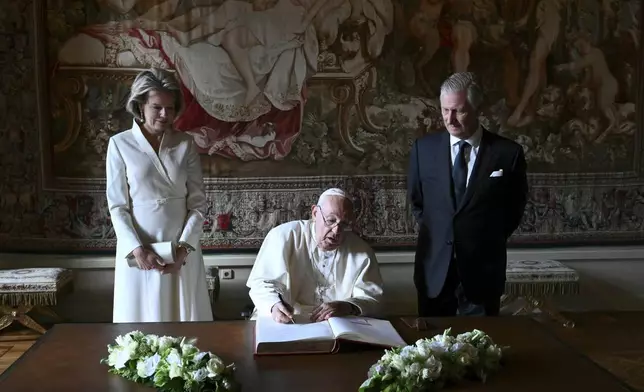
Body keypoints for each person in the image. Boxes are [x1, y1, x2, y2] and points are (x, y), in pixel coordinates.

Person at [407, 72, 528, 317]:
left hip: (482, 274)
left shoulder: (507, 153)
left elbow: (513, 211)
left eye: (459, 111)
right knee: (429, 351)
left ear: (476, 108)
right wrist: (445, 232)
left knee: (480, 350)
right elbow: (417, 203)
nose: (450, 119)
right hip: (434, 274)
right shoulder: (423, 150)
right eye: (444, 110)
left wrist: (479, 236)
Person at [106, 68, 213, 323]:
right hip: (138, 249)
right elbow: (118, 206)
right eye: (157, 107)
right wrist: (138, 251)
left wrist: (184, 250)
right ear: (140, 105)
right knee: (141, 325)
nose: (165, 114)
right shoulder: (120, 144)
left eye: (171, 108)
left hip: (181, 249)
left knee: (186, 325)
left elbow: (198, 204)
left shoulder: (185, 143)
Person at [246, 188, 384, 323]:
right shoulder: (284, 236)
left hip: (335, 325)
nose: (336, 231)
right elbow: (261, 283)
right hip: (289, 322)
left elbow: (372, 299)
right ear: (315, 213)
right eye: (330, 220)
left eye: (344, 224)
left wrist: (348, 306)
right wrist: (274, 305)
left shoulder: (362, 251)